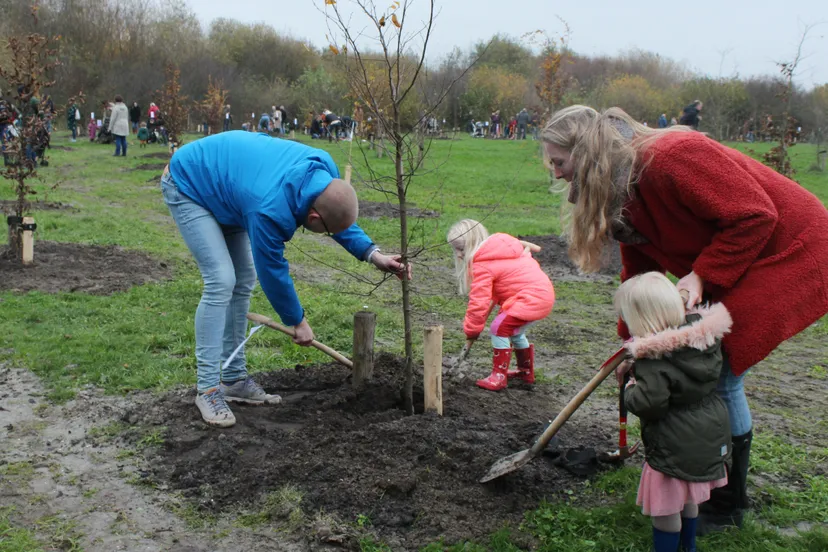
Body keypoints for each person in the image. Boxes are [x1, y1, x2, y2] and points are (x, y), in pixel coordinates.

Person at [540, 105, 828, 534]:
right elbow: (639, 273)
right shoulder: (622, 187)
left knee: (718, 364)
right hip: (743, 254)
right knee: (703, 360)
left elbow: (755, 214)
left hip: (794, 250)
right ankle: (707, 482)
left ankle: (725, 501)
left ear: (587, 149)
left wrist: (703, 273)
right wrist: (630, 344)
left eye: (560, 161)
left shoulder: (672, 156)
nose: (558, 173)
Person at [162, 132, 409, 427]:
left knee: (242, 280)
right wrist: (298, 320)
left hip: (232, 186)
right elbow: (273, 271)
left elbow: (335, 213)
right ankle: (207, 389)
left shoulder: (324, 173)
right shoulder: (269, 209)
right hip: (190, 182)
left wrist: (373, 253)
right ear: (314, 219)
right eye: (326, 231)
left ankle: (233, 379)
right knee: (221, 280)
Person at [617, 272, 732, 552]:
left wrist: (629, 386)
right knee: (689, 496)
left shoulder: (653, 362)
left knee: (666, 510)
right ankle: (688, 547)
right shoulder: (702, 341)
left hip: (674, 443)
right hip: (707, 434)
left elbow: (649, 404)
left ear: (641, 322)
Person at [447, 219, 554, 391]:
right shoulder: (500, 251)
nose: (459, 254)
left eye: (461, 249)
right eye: (455, 250)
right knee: (515, 333)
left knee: (498, 328)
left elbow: (478, 301)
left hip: (529, 299)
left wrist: (472, 329)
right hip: (542, 296)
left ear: (473, 244)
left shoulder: (483, 264)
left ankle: (499, 376)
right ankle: (525, 372)